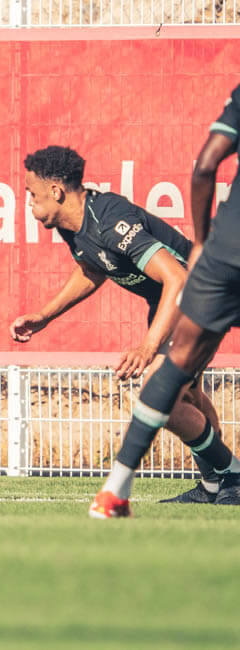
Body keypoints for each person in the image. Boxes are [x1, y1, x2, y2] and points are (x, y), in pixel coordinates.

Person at [15, 145, 239, 509]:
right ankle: (217, 484)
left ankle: (231, 474)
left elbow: (177, 278)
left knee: (159, 390)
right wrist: (44, 316)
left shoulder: (109, 217)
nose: (28, 201)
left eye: (31, 193)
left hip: (201, 296)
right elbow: (93, 268)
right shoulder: (75, 228)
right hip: (178, 303)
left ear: (55, 191)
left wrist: (147, 347)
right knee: (186, 398)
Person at [90, 87, 240, 517]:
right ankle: (223, 475)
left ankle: (115, 489)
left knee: (175, 367)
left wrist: (200, 241)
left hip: (225, 249)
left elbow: (206, 164)